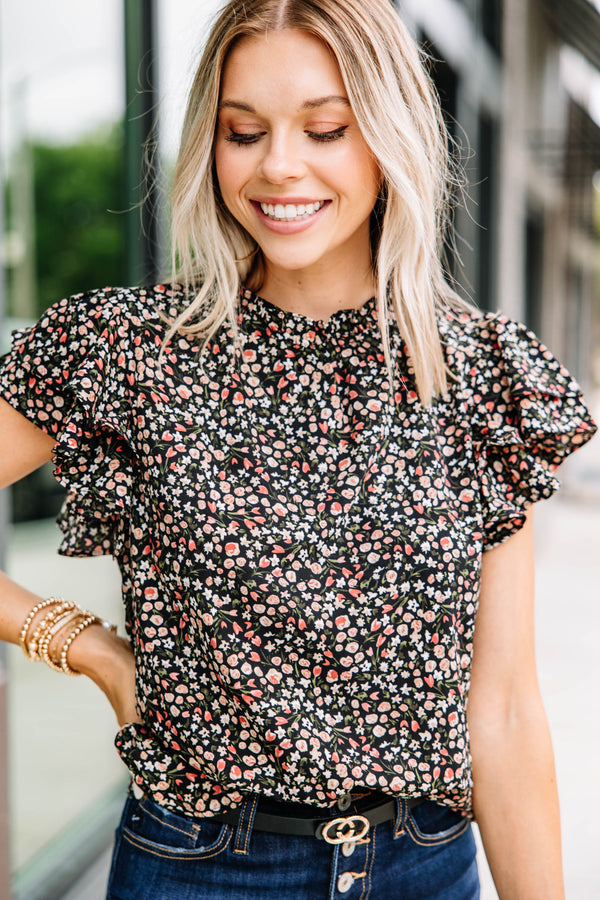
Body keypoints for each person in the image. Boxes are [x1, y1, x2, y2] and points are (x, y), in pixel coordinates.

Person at [0, 1, 596, 897]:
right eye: (245, 132)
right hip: (199, 870)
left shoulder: (480, 373)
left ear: (388, 138)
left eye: (325, 129)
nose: (280, 165)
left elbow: (504, 709)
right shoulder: (128, 350)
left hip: (423, 866)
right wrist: (84, 645)